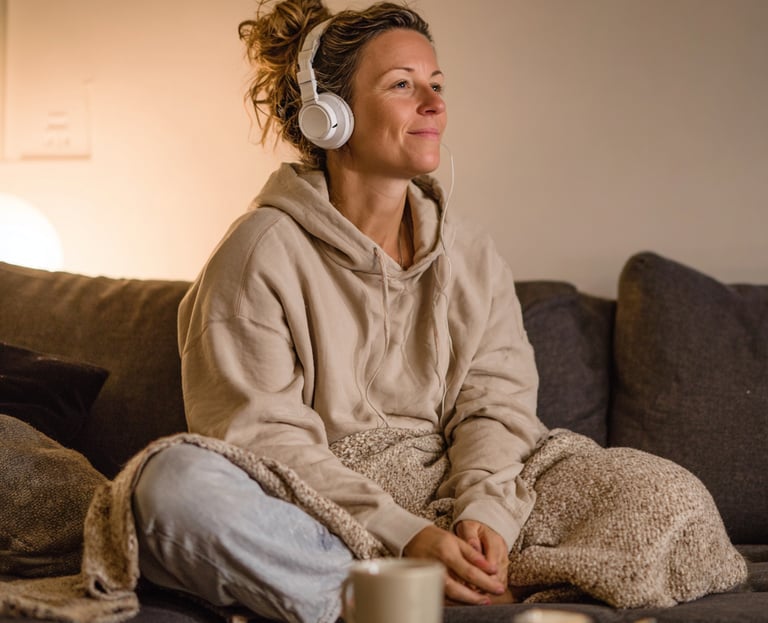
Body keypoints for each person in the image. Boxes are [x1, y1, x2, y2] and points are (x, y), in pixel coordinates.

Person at [131, 1, 549, 621]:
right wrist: (405, 535)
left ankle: (461, 575)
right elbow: (261, 441)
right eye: (403, 85)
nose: (434, 105)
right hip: (318, 509)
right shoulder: (257, 254)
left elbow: (498, 404)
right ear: (330, 116)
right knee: (173, 486)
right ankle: (388, 588)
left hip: (448, 494)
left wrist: (482, 515)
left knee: (662, 493)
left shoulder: (472, 254)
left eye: (437, 85)